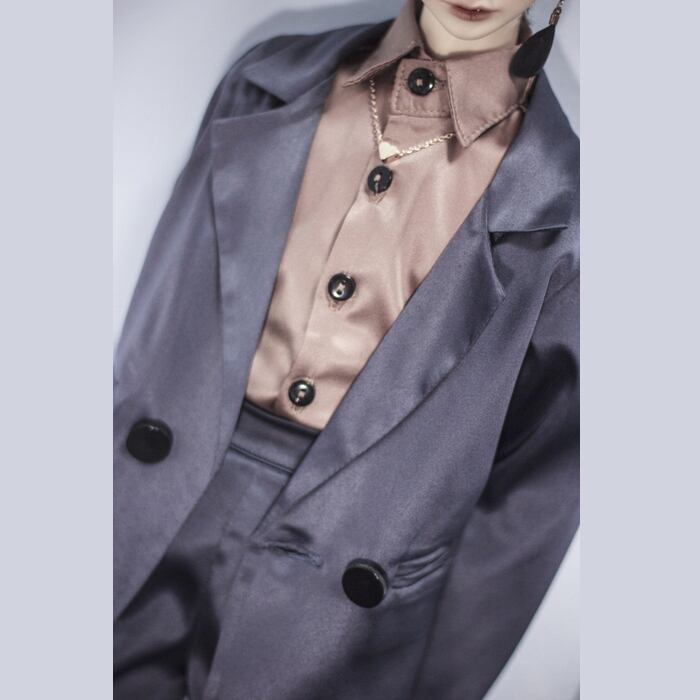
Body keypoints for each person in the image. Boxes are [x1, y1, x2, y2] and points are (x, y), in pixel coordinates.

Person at [113, 1, 579, 698]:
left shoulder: (564, 207)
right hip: (158, 490)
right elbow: (162, 321)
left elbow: (537, 490)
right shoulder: (268, 80)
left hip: (352, 573)